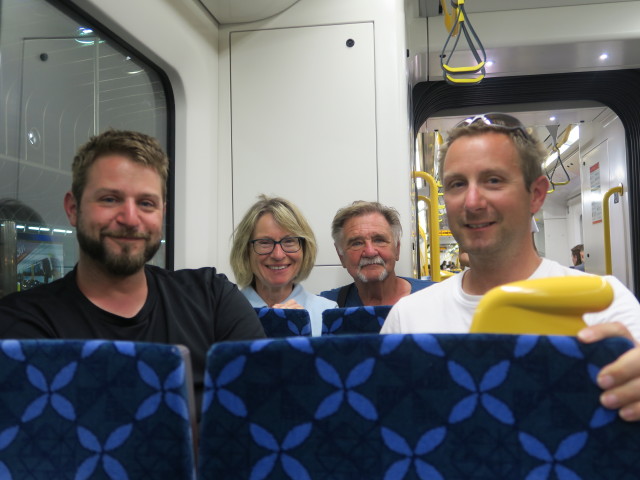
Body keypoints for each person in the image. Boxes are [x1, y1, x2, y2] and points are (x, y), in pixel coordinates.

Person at [381, 113, 640, 422]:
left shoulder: (606, 303)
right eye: (457, 184)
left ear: (536, 194)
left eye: (493, 180)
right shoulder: (408, 317)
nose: (472, 201)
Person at [0, 130, 265, 410]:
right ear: (73, 208)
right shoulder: (24, 324)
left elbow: (263, 411)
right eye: (110, 199)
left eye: (146, 203)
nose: (129, 218)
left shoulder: (212, 298)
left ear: (162, 212)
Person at [230, 195, 337, 336]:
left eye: (289, 241)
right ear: (245, 251)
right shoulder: (227, 313)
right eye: (264, 243)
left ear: (304, 248)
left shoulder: (327, 312)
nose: (278, 255)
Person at [320, 201, 434, 307]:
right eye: (357, 243)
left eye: (379, 240)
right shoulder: (325, 306)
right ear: (341, 256)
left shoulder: (437, 297)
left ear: (397, 249)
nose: (370, 252)